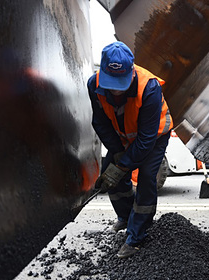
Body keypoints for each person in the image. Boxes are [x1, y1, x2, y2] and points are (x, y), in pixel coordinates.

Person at [86, 41, 173, 258]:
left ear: (131, 73)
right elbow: (100, 122)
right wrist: (116, 154)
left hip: (153, 139)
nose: (115, 89)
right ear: (103, 72)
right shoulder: (93, 85)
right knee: (110, 176)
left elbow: (145, 140)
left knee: (145, 179)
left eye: (120, 83)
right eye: (110, 82)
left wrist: (122, 166)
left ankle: (136, 238)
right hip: (122, 138)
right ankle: (126, 217)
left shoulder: (149, 88)